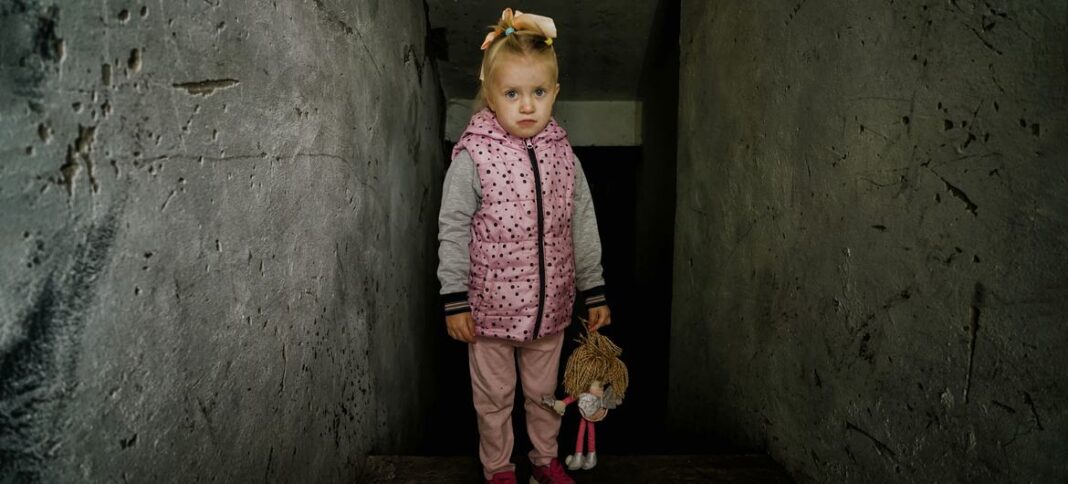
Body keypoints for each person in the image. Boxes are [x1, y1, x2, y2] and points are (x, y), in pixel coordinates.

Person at [436, 8, 611, 484]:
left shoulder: (564, 157)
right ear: (489, 96)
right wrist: (454, 299)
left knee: (543, 394)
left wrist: (592, 290)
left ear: (555, 93)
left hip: (549, 310)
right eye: (512, 93)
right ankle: (498, 469)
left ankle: (543, 462)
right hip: (488, 311)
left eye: (538, 92)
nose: (527, 105)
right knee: (493, 399)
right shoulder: (473, 157)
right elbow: (452, 228)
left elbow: (582, 225)